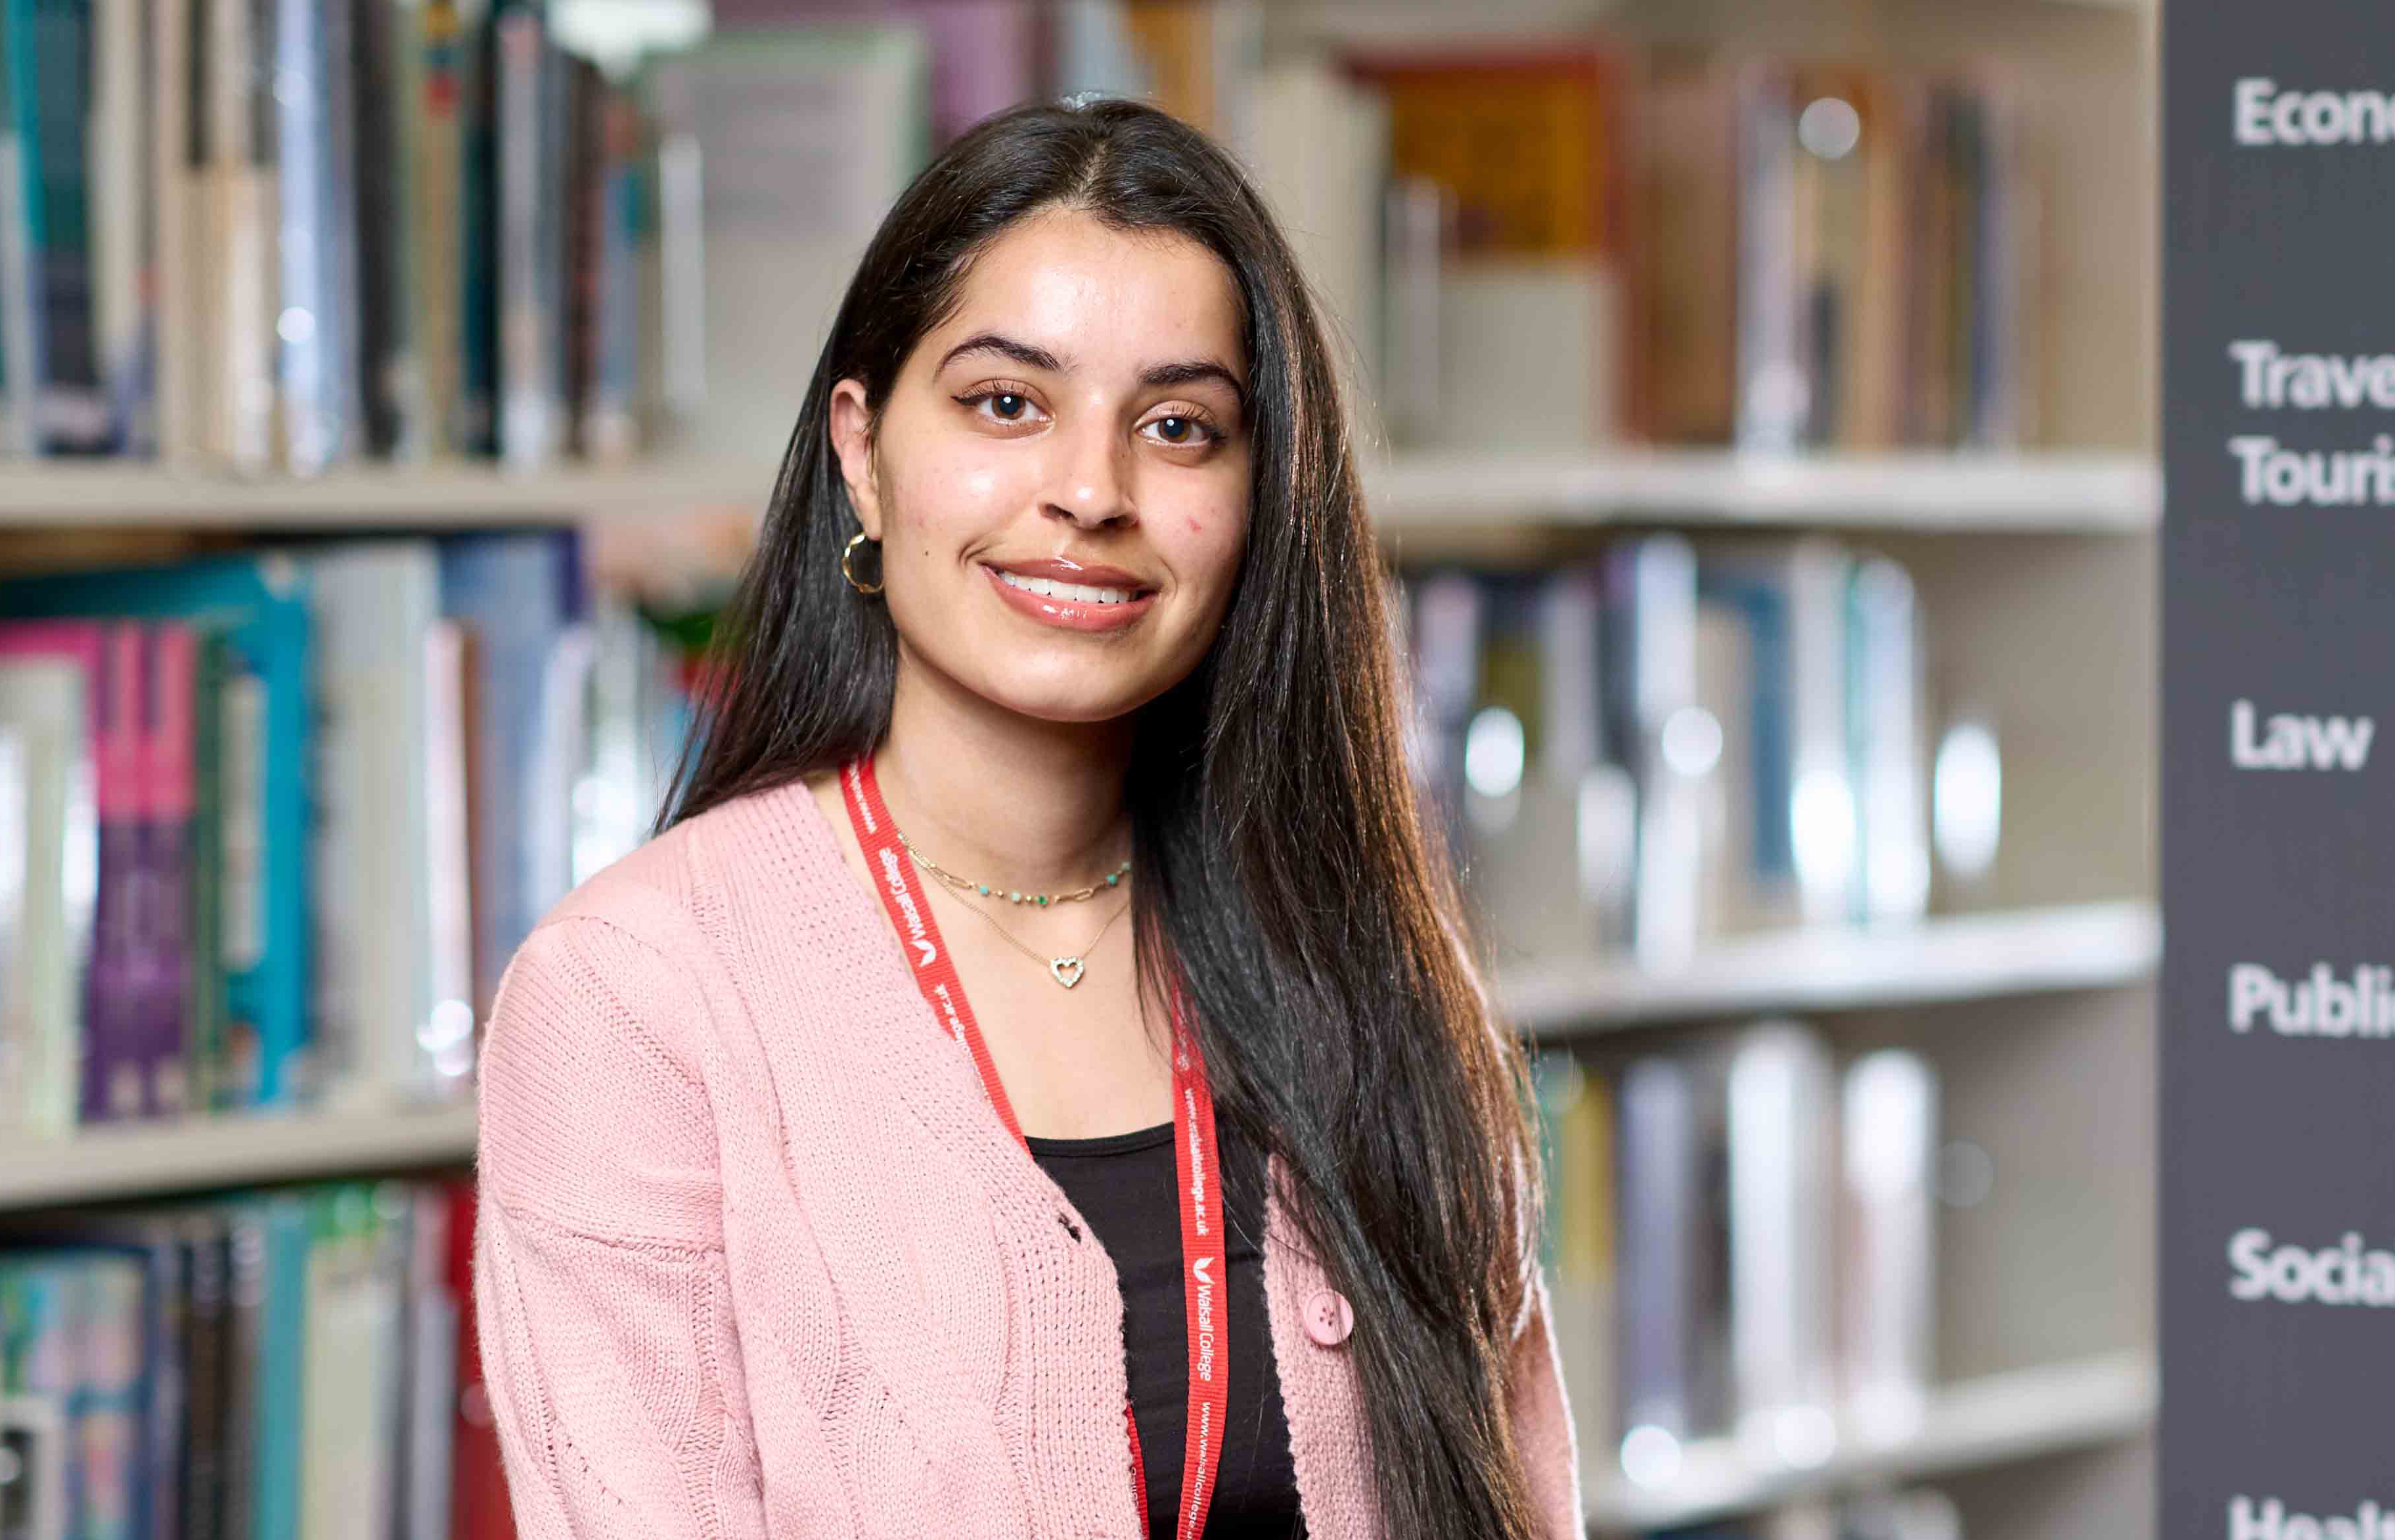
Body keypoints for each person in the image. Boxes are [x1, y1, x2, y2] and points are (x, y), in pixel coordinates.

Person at [468, 98, 1583, 1540]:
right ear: (863, 452)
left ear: (1261, 499)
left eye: (1180, 429)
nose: (1088, 492)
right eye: (1006, 403)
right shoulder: (635, 1000)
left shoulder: (1368, 966)